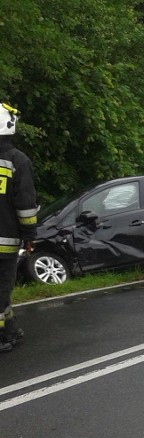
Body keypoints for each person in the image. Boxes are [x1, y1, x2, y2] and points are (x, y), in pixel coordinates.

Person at [0, 103, 38, 352]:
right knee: (1, 291)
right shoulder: (17, 160)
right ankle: (4, 337)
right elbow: (25, 206)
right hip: (5, 242)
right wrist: (29, 236)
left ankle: (11, 330)